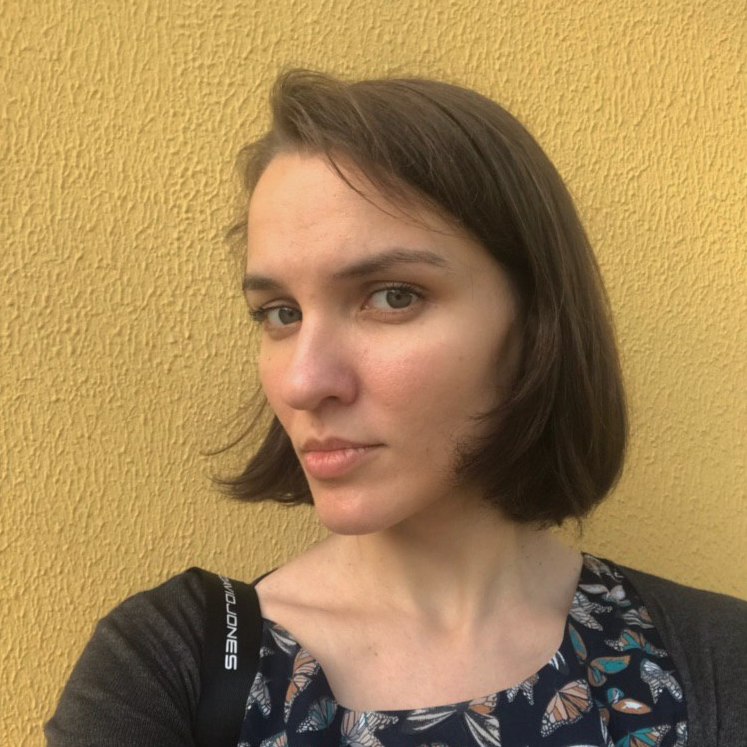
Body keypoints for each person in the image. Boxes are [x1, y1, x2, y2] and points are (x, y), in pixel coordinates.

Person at [46, 70, 746, 747]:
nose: (303, 382)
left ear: (536, 323)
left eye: (392, 296)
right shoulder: (168, 670)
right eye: (280, 312)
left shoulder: (719, 662)